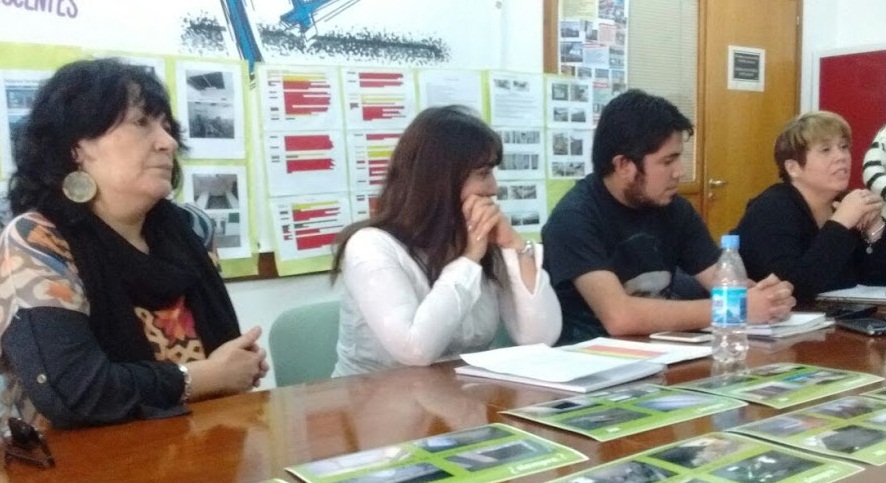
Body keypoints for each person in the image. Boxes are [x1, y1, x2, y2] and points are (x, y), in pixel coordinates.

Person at [0, 58, 268, 429]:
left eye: (167, 126)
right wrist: (207, 376)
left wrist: (240, 366)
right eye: (142, 123)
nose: (169, 142)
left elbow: (227, 361)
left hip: (202, 445)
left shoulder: (191, 229)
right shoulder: (39, 240)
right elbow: (75, 393)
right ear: (77, 147)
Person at [542, 89, 795, 344]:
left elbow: (724, 283)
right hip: (591, 364)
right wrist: (734, 309)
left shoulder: (674, 209)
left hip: (661, 355)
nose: (680, 172)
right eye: (667, 161)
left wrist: (769, 300)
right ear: (623, 166)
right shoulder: (574, 218)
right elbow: (619, 317)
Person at [330, 105, 562, 376]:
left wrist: (515, 247)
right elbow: (415, 350)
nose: (494, 189)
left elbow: (540, 338)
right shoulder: (370, 246)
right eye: (483, 173)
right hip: (375, 405)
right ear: (441, 181)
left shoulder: (478, 239)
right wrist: (468, 260)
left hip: (460, 399)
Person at [735, 111, 886, 303]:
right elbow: (791, 288)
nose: (841, 157)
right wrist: (841, 222)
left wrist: (875, 230)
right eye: (825, 150)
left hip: (838, 322)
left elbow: (875, 279)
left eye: (843, 147)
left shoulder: (842, 202)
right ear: (793, 168)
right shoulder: (771, 208)